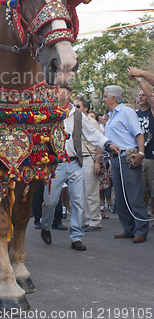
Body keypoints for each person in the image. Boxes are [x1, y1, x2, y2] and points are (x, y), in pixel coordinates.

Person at [40, 86, 119, 251]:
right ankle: (45, 225)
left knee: (78, 200)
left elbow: (93, 134)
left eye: (58, 91)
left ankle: (76, 236)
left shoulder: (78, 116)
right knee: (50, 201)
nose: (54, 94)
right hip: (56, 165)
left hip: (75, 163)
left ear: (67, 95)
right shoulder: (49, 113)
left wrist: (108, 144)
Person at [103, 85, 149, 243]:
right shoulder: (111, 116)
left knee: (134, 194)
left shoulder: (126, 112)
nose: (103, 99)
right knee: (120, 196)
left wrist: (141, 154)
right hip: (115, 158)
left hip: (128, 156)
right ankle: (128, 228)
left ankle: (141, 230)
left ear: (113, 98)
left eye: (105, 96)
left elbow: (139, 133)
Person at [73, 96, 104, 231]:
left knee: (91, 191)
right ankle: (89, 218)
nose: (75, 108)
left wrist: (97, 161)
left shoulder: (91, 122)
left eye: (78, 106)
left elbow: (99, 142)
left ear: (86, 108)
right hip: (79, 158)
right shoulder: (76, 121)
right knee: (82, 191)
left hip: (90, 157)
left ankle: (95, 220)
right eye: (74, 106)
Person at [128, 68, 154, 218]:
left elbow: (151, 95)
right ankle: (143, 217)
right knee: (141, 190)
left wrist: (139, 78)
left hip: (151, 155)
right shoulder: (133, 114)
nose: (141, 97)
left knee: (153, 190)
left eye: (143, 95)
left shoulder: (151, 112)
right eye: (139, 96)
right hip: (138, 156)